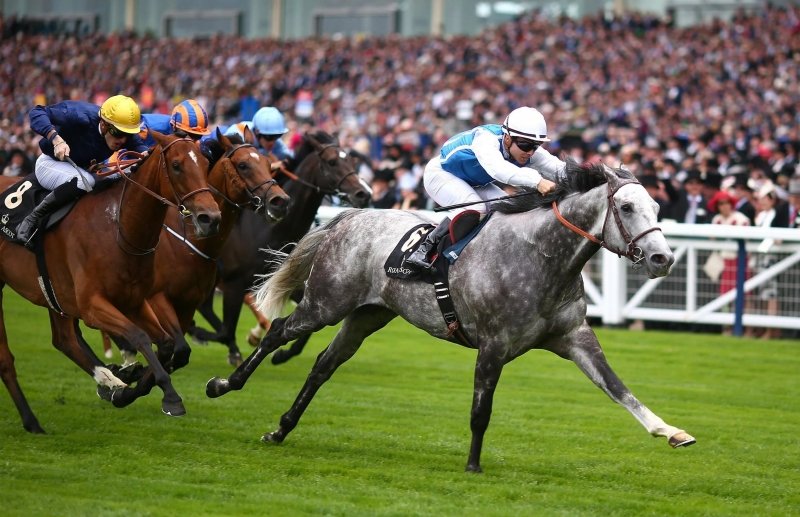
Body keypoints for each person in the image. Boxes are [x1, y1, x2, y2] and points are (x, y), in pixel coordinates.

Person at [406, 106, 564, 269]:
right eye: (525, 145)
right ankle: (425, 249)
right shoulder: (486, 139)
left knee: (508, 206)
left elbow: (560, 168)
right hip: (441, 174)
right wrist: (538, 181)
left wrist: (581, 178)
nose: (530, 152)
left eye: (536, 146)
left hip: (474, 183)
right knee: (476, 208)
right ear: (507, 138)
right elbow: (499, 170)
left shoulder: (525, 150)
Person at [16, 94, 149, 247]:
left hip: (79, 168)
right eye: (119, 133)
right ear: (104, 124)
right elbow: (37, 112)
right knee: (85, 181)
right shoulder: (79, 115)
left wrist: (145, 154)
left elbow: (141, 148)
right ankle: (30, 220)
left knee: (116, 178)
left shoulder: (120, 132)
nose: (124, 140)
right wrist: (56, 139)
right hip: (50, 164)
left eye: (128, 134)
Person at [140, 99, 211, 146]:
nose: (193, 140)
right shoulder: (147, 128)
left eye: (198, 136)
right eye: (189, 135)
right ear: (174, 126)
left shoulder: (201, 140)